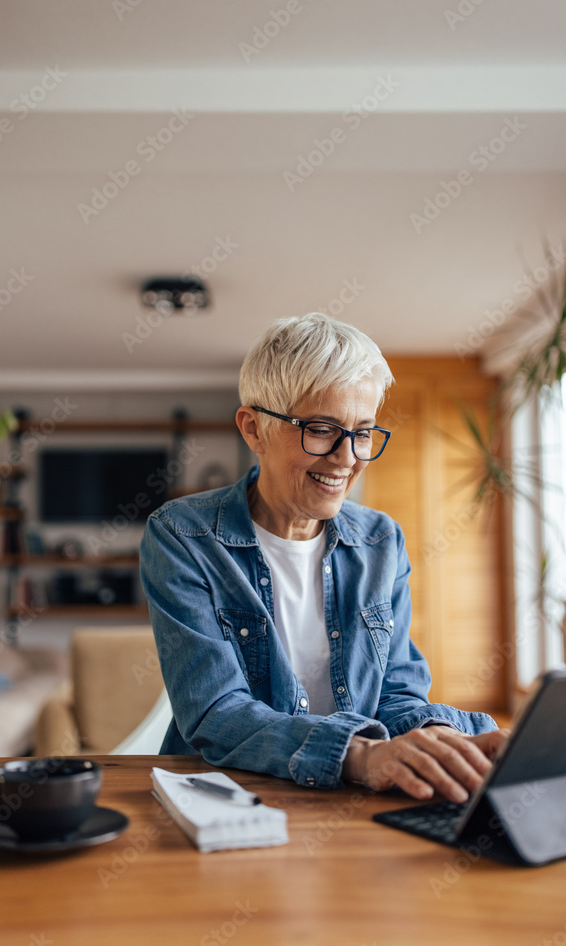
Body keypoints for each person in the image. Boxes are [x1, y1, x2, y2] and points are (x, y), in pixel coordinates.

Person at [140, 313, 507, 801]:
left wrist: (437, 736)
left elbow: (397, 693)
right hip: (227, 798)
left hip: (354, 796)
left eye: (362, 432)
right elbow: (216, 713)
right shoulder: (183, 536)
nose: (347, 457)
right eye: (320, 430)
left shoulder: (380, 540)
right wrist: (360, 755)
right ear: (254, 430)